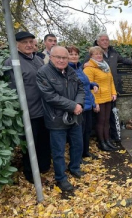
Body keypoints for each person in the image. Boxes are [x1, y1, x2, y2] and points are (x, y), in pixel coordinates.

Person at [4, 31, 51, 184]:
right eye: (25, 42)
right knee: (31, 144)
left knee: (44, 141)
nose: (29, 45)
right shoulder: (12, 62)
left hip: (44, 110)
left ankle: (44, 168)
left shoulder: (38, 60)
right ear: (16, 44)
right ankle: (31, 175)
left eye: (31, 42)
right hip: (28, 113)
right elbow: (11, 90)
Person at [37, 46, 85, 191]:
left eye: (64, 57)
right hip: (56, 118)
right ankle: (61, 178)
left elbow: (81, 88)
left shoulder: (71, 71)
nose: (61, 60)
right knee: (58, 151)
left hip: (74, 116)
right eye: (58, 57)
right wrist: (72, 106)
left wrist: (79, 103)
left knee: (78, 145)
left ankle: (75, 167)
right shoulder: (43, 73)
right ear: (51, 57)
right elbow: (50, 96)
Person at [84, 32, 132, 144]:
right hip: (98, 96)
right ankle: (101, 141)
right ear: (98, 42)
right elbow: (85, 72)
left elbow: (123, 59)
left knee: (110, 117)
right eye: (102, 40)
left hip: (110, 93)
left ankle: (111, 138)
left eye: (107, 40)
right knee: (100, 120)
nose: (105, 42)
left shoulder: (113, 53)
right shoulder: (92, 55)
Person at [83, 46, 118, 152]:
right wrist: (95, 103)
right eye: (96, 54)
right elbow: (89, 87)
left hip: (108, 98)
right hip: (98, 99)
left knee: (106, 121)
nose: (99, 56)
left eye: (100, 54)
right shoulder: (89, 69)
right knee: (100, 121)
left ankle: (107, 140)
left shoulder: (105, 67)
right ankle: (101, 142)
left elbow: (110, 80)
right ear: (91, 56)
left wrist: (113, 93)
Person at [67, 46, 99, 159]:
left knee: (87, 131)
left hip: (88, 106)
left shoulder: (79, 68)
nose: (74, 56)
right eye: (71, 54)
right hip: (78, 107)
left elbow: (85, 85)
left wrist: (93, 85)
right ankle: (77, 158)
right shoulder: (67, 70)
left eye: (76, 54)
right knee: (78, 135)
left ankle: (85, 152)